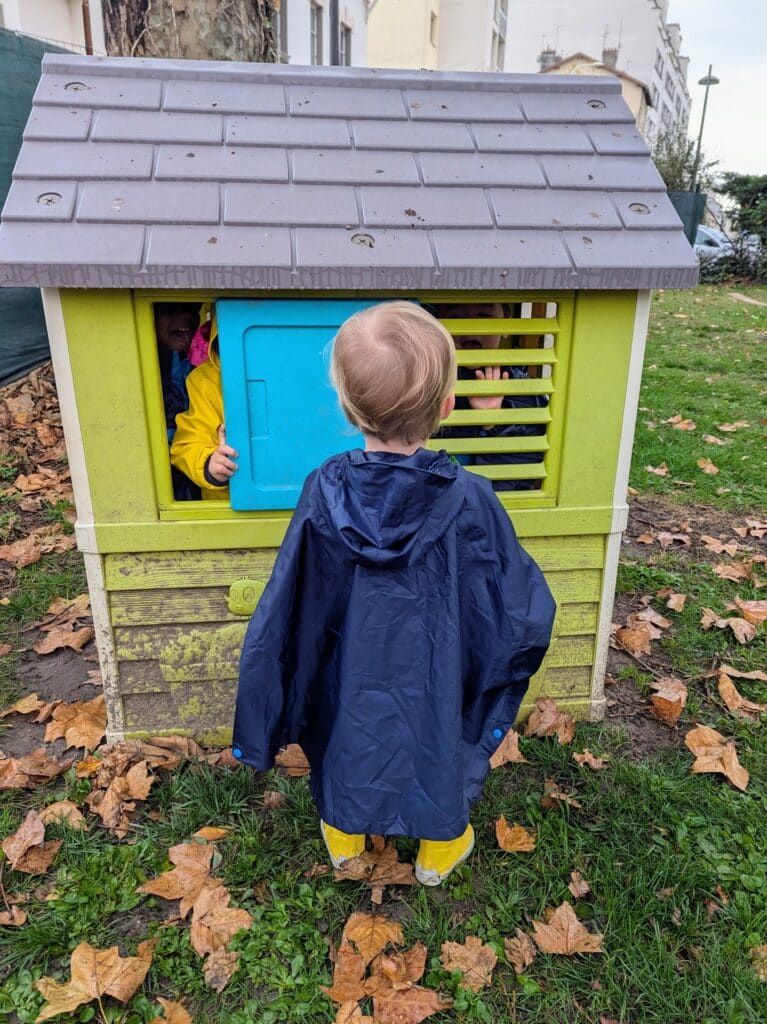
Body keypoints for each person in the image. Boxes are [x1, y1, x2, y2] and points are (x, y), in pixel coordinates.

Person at [232, 301, 555, 885]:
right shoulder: (473, 496)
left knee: (349, 733)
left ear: (346, 407)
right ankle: (439, 853)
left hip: (349, 667)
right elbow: (513, 599)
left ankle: (344, 835)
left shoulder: (323, 488)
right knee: (438, 738)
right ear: (447, 406)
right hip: (437, 665)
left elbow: (292, 597)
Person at [432, 302, 549, 491]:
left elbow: (515, 483)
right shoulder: (426, 386)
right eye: (457, 318)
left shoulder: (525, 394)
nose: (470, 329)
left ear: (505, 325)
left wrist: (492, 423)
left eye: (484, 316)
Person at [169, 324, 239, 501]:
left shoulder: (312, 374)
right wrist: (210, 465)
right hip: (228, 506)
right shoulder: (206, 380)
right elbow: (186, 444)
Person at [154, 302, 203, 501]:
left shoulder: (202, 359)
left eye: (192, 309)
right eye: (170, 309)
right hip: (163, 471)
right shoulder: (145, 364)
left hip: (198, 461)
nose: (185, 315)